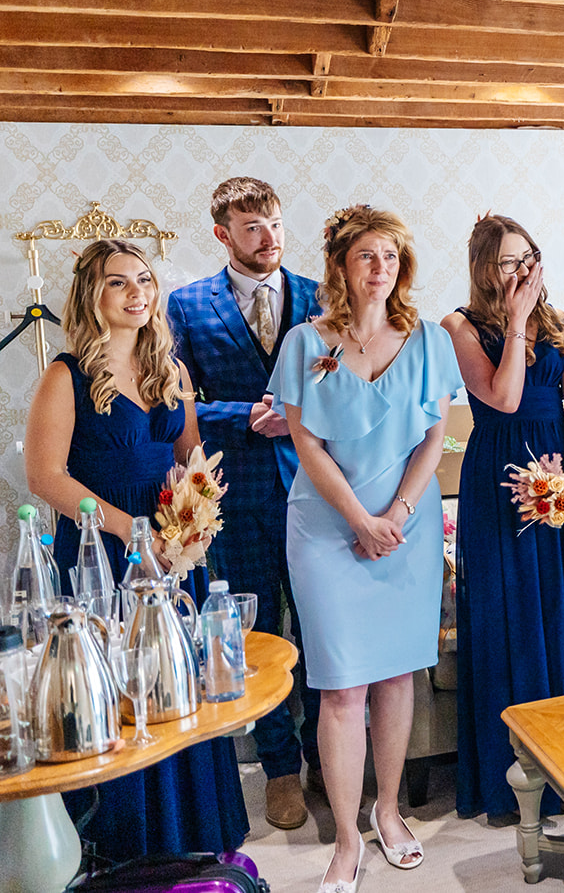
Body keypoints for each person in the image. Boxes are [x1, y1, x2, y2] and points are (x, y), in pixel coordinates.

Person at [24, 239, 249, 860]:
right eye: (119, 283)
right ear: (91, 296)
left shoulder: (170, 372)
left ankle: (194, 837)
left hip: (172, 554)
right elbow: (45, 477)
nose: (137, 294)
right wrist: (134, 532)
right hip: (101, 551)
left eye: (144, 281)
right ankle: (121, 848)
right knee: (118, 694)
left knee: (178, 687)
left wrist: (192, 518)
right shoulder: (65, 375)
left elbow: (190, 460)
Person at [267, 206, 462, 893]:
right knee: (342, 685)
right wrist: (358, 516)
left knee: (396, 675)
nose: (379, 269)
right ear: (342, 267)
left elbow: (434, 436)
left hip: (404, 526)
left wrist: (400, 513)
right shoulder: (303, 342)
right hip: (326, 528)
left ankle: (389, 808)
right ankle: (347, 836)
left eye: (390, 257)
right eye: (366, 257)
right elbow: (305, 442)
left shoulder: (431, 340)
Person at [442, 215, 564, 820]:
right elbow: (506, 398)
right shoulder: (458, 326)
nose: (522, 272)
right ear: (486, 269)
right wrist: (516, 323)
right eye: (509, 263)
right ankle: (513, 782)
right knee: (510, 616)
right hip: (497, 482)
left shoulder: (562, 323)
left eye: (529, 259)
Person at [167, 176, 321, 830]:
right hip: (233, 494)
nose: (270, 238)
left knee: (321, 632)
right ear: (222, 233)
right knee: (254, 635)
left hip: (318, 490)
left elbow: (353, 382)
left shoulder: (320, 295)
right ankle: (280, 769)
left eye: (276, 224)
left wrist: (298, 412)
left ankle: (329, 757)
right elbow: (174, 396)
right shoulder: (185, 304)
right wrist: (248, 410)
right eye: (253, 227)